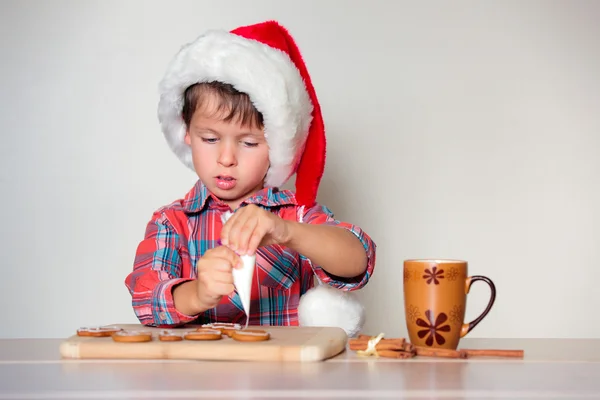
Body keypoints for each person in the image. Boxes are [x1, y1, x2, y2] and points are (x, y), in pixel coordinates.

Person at [124, 20, 376, 329]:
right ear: (186, 133)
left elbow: (358, 260)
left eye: (248, 142)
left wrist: (286, 232)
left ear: (277, 146)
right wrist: (199, 294)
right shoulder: (172, 223)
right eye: (211, 139)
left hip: (286, 376)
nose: (227, 158)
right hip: (198, 377)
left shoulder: (293, 215)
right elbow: (146, 299)